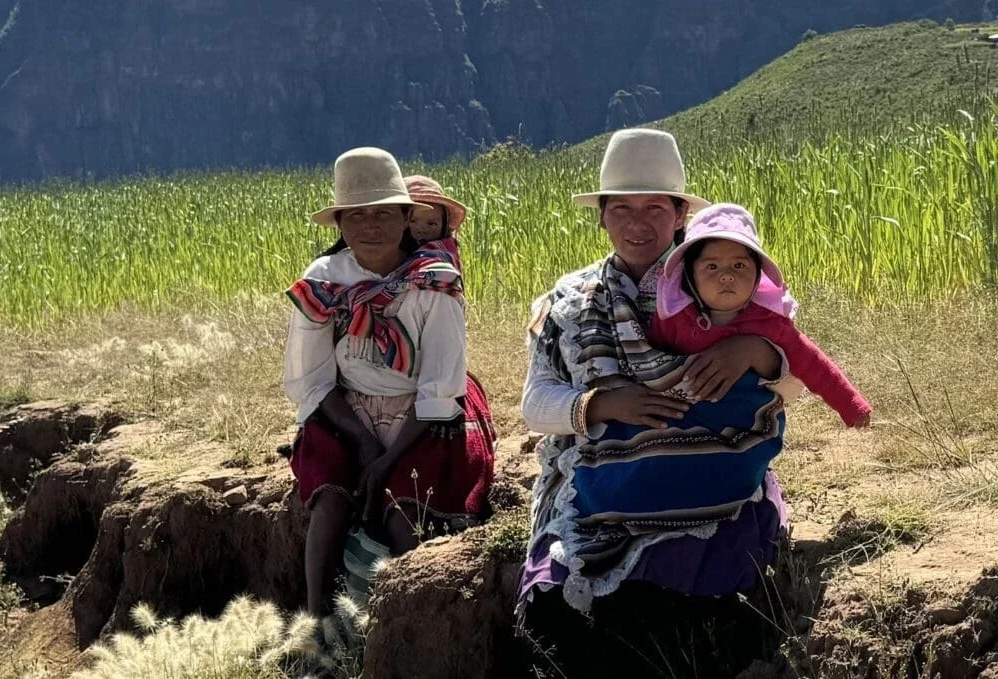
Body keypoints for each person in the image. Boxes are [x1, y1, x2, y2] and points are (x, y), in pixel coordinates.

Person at [517, 129, 802, 678]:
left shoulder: (723, 283)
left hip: (708, 475)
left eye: (654, 207)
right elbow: (536, 404)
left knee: (700, 590)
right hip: (598, 487)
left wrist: (756, 351)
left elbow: (792, 387)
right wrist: (604, 405)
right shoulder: (571, 302)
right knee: (561, 598)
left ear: (679, 216)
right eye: (621, 208)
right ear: (601, 216)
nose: (637, 223)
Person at [283, 147, 496, 617]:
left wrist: (387, 459)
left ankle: (409, 622)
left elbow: (440, 383)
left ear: (406, 217)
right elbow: (312, 378)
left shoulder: (434, 282)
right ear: (340, 224)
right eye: (357, 215)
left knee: (406, 511)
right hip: (346, 410)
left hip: (419, 416)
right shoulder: (324, 281)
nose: (370, 226)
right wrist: (360, 440)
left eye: (383, 213)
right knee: (330, 503)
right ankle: (316, 624)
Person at [649, 202, 872, 428]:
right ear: (690, 276)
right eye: (712, 267)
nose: (726, 276)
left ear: (758, 274)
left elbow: (815, 366)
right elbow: (646, 361)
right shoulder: (674, 320)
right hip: (683, 423)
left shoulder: (770, 322)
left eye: (739, 265)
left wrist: (852, 406)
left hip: (748, 425)